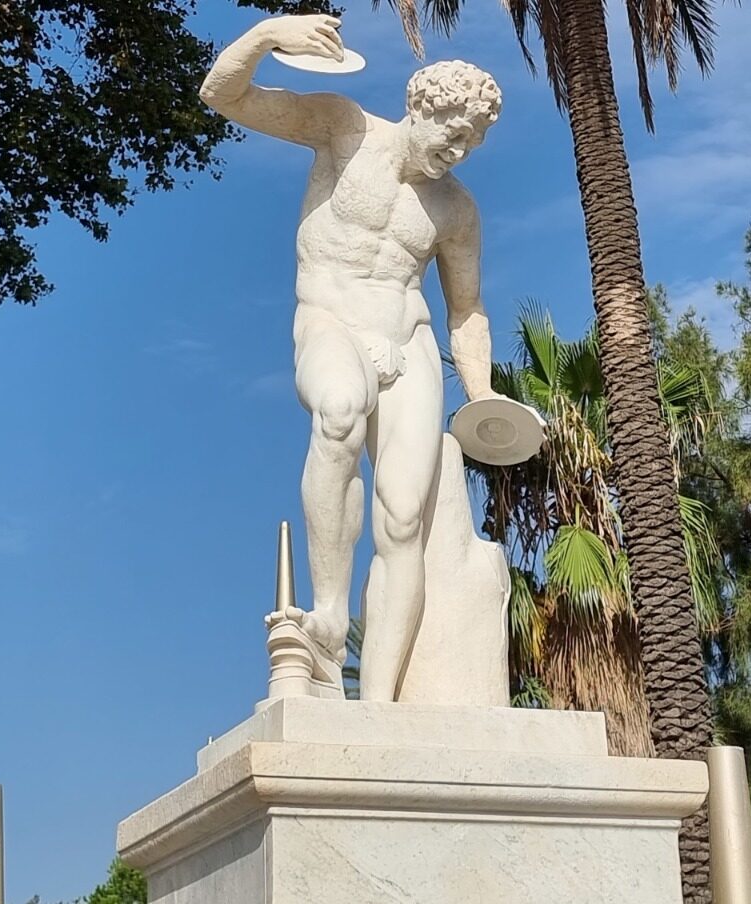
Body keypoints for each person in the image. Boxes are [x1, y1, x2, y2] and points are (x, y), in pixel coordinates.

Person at [201, 15, 502, 702]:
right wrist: (270, 34)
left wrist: (481, 394)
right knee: (338, 412)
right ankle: (330, 615)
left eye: (471, 145)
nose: (457, 154)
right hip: (332, 320)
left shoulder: (455, 210)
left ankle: (379, 703)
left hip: (410, 340)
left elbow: (467, 310)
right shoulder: (344, 127)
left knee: (403, 518)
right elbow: (224, 94)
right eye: (452, 136)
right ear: (420, 109)